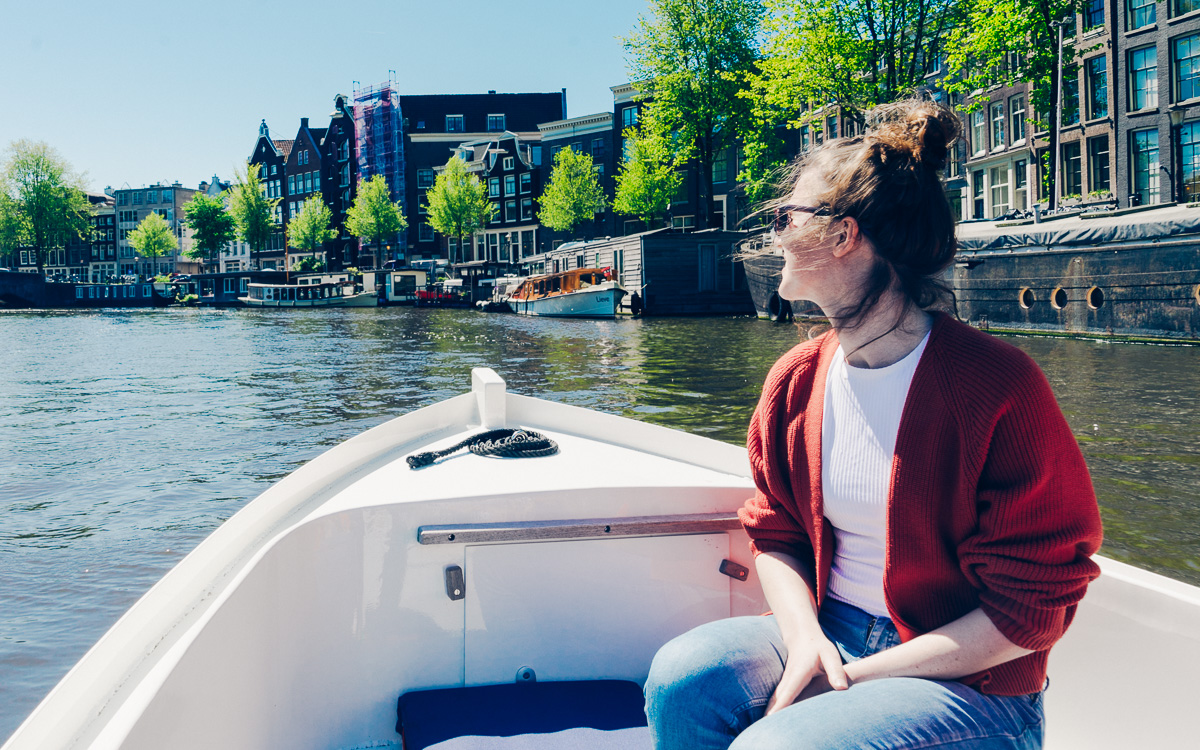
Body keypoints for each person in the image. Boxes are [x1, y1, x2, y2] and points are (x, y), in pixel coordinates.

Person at [643, 98, 1104, 750]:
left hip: (975, 688)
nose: (774, 237)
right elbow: (775, 531)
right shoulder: (796, 381)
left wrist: (849, 680)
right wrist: (806, 644)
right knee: (680, 682)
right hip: (833, 630)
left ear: (843, 234)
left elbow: (1028, 612)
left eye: (785, 218)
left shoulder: (998, 388)